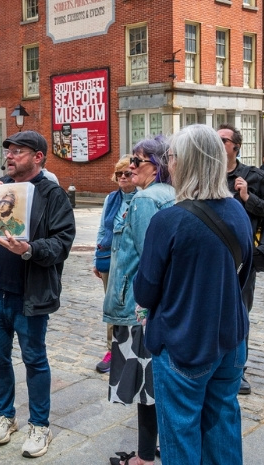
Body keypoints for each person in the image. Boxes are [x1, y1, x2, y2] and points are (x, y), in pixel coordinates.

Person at [135, 124, 253, 465]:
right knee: (223, 425)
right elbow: (241, 274)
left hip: (183, 342)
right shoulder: (237, 212)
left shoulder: (168, 220)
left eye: (171, 157)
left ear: (183, 163)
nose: (168, 164)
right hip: (230, 338)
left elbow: (145, 291)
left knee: (180, 433)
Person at [0, 130, 75, 458]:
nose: (10, 156)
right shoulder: (0, 187)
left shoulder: (52, 194)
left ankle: (40, 426)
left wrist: (29, 249)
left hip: (30, 295)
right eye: (9, 151)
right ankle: (5, 417)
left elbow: (63, 242)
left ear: (38, 157)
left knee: (34, 360)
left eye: (18, 151)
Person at [103, 136, 174, 465]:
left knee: (147, 388)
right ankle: (161, 447)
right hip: (156, 304)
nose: (131, 167)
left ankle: (145, 457)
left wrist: (141, 305)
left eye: (138, 161)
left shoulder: (147, 200)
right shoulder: (173, 195)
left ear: (156, 166)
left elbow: (150, 260)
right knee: (157, 385)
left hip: (138, 306)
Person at [218, 124, 264, 395]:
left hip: (243, 256)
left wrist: (247, 197)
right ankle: (215, 362)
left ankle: (238, 370)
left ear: (236, 146)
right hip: (213, 254)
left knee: (240, 312)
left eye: (223, 140)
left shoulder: (252, 175)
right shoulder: (209, 174)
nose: (218, 144)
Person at [93, 157, 137, 374]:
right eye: (119, 174)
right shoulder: (111, 198)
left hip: (133, 260)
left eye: (127, 173)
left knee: (135, 305)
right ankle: (112, 349)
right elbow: (103, 229)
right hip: (109, 258)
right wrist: (97, 258)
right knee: (111, 305)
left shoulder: (143, 198)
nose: (122, 177)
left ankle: (134, 349)